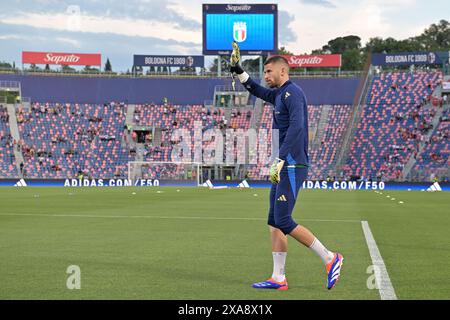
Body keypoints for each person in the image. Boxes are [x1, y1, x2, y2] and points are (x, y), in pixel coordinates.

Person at [230, 52, 344, 291]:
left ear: (283, 71)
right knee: (273, 221)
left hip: (291, 164)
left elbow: (298, 127)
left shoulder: (293, 93)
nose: (266, 76)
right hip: (281, 164)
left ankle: (330, 257)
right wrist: (237, 69)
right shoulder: (279, 94)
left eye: (269, 71)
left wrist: (280, 159)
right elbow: (255, 89)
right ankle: (278, 278)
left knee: (283, 219)